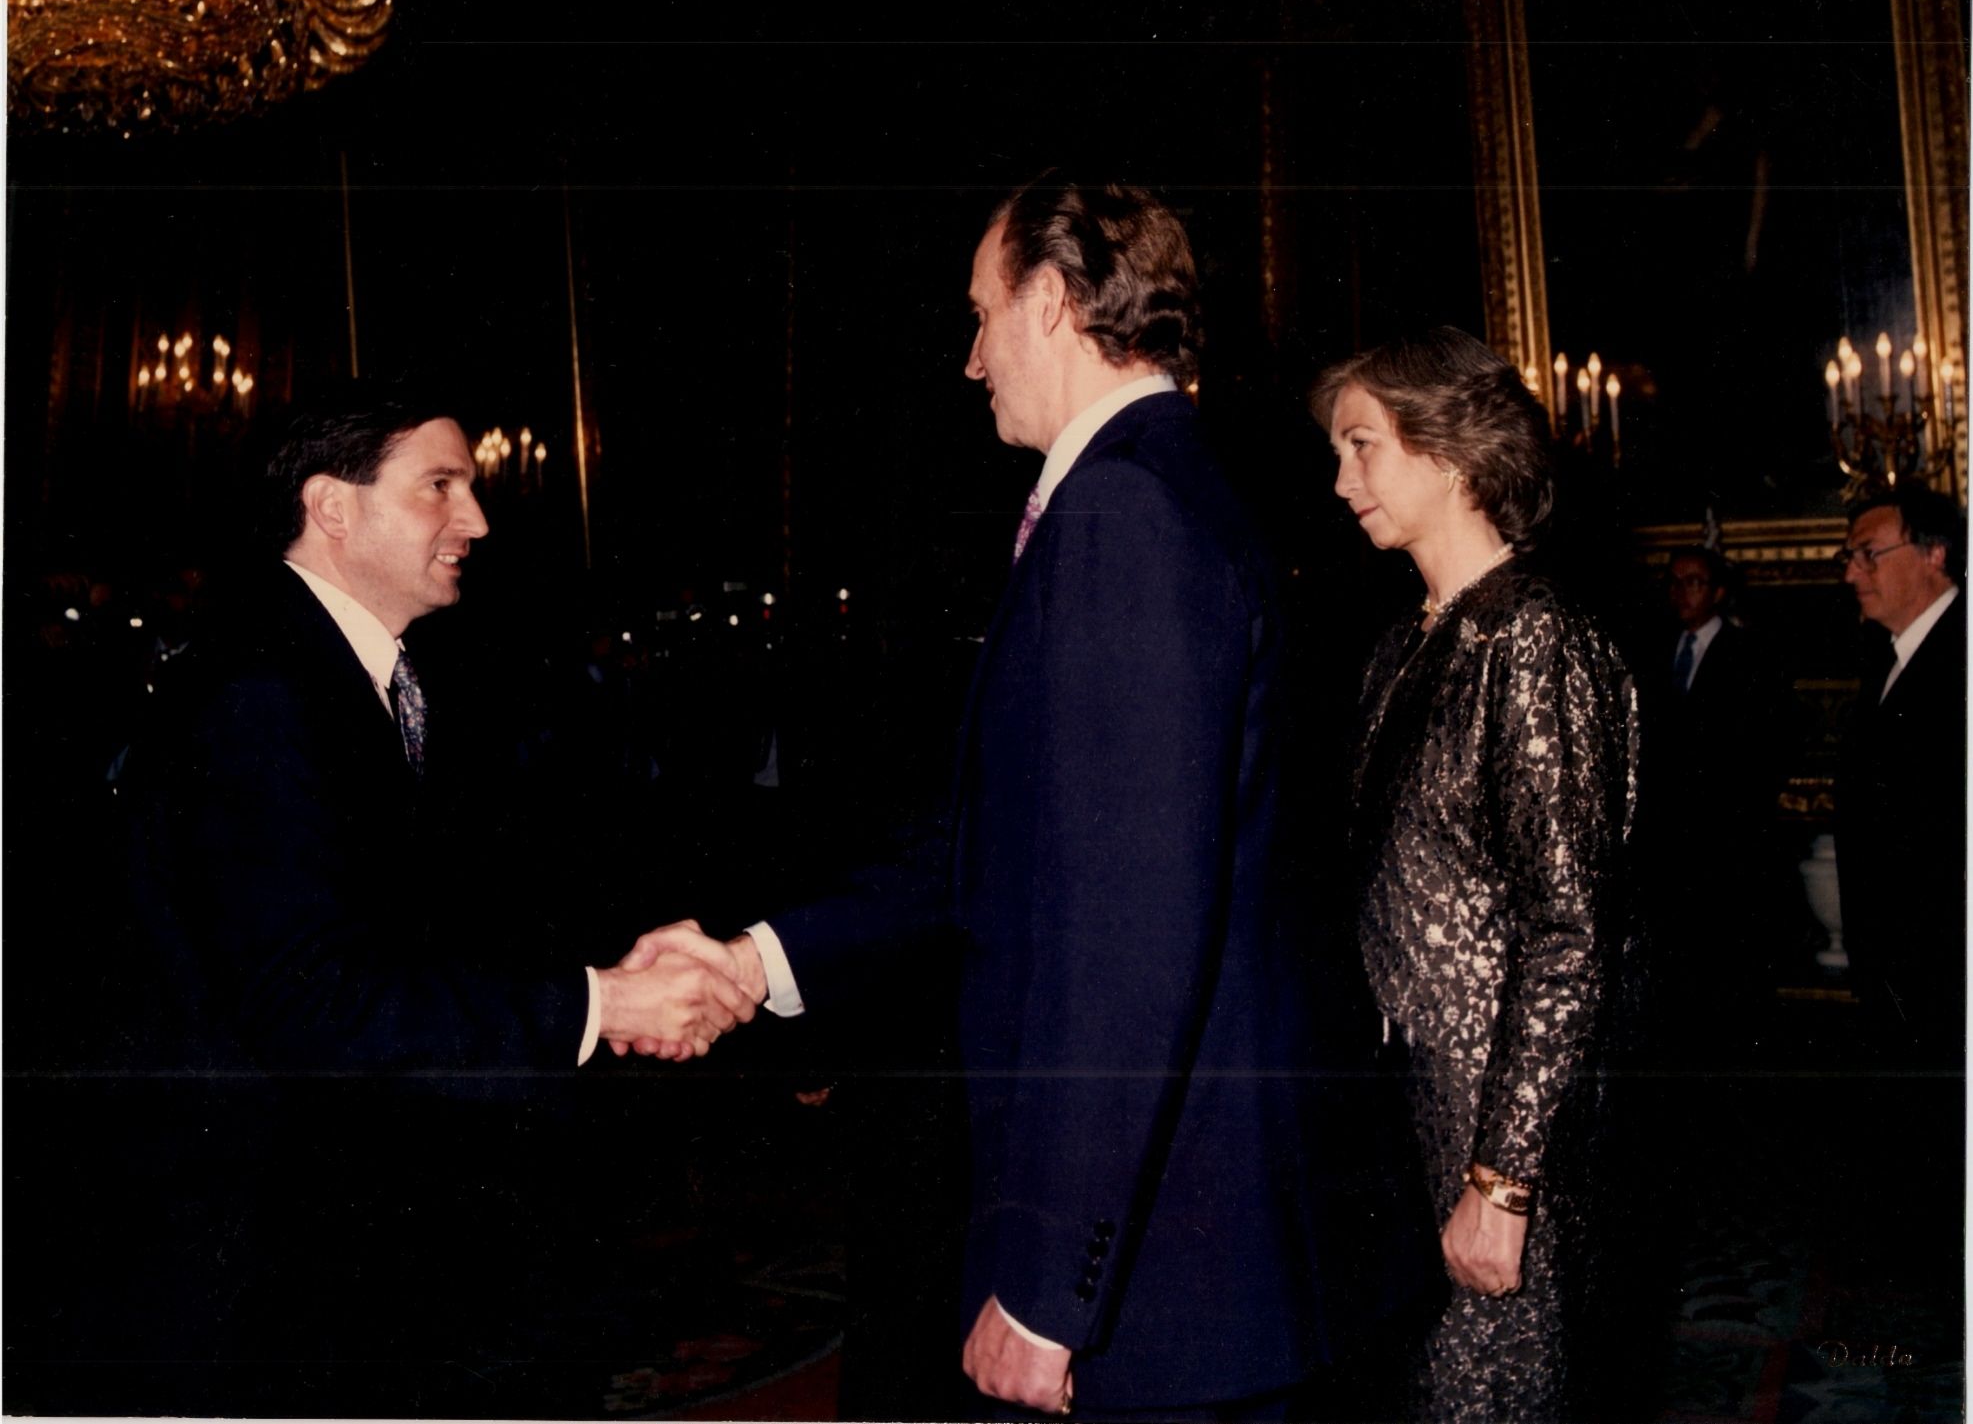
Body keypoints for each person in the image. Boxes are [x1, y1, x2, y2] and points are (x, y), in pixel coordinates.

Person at [625, 177, 1436, 1420]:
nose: (969, 359)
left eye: (980, 313)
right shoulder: (1148, 486)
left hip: (1168, 1262)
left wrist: (1055, 1287)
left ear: (1051, 300)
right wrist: (756, 960)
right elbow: (995, 844)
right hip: (1192, 1239)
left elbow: (1130, 936)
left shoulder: (1122, 509)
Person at [120, 390, 753, 1408]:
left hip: (354, 1227)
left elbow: (435, 924)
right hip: (260, 1249)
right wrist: (599, 1002)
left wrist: (620, 969)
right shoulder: (258, 694)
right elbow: (313, 1001)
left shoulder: (364, 673)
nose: (477, 520)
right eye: (440, 487)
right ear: (333, 505)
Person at [1312, 326, 1642, 1423]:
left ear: (1450, 452)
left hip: (1496, 1143)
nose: (1340, 478)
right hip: (1404, 1125)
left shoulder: (1533, 641)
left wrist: (1502, 1180)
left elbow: (1570, 934)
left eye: (1361, 444)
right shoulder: (1404, 646)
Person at [1834, 485, 1966, 1066]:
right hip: (1899, 972)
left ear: (1934, 553)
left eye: (1869, 554)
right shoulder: (1890, 658)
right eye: (1849, 557)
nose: (1851, 573)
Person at [1652, 545, 1788, 1056]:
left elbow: (1767, 746)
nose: (1680, 592)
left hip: (1727, 843)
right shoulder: (1654, 651)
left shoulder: (1750, 654)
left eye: (1693, 582)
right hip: (1670, 843)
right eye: (1673, 581)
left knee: (1726, 973)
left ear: (1718, 592)